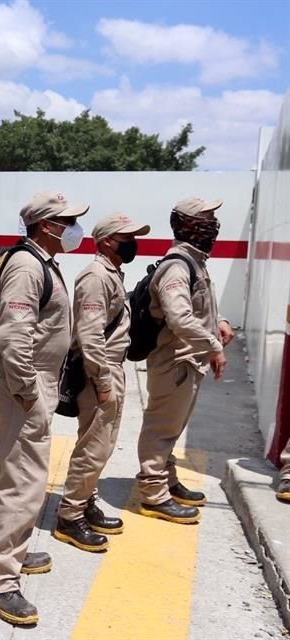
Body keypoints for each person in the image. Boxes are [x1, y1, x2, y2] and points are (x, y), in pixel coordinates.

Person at [0, 191, 87, 626]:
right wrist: (28, 391)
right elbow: (13, 335)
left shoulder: (42, 261)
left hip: (31, 380)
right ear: (46, 225)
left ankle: (12, 550)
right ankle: (0, 580)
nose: (75, 229)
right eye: (68, 221)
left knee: (18, 475)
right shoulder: (27, 265)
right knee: (24, 481)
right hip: (24, 383)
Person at [53, 213, 150, 553]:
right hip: (100, 372)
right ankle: (69, 516)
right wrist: (104, 381)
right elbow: (91, 335)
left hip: (109, 368)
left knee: (100, 445)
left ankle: (85, 501)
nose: (133, 243)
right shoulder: (96, 276)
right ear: (108, 241)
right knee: (93, 448)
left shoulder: (111, 273)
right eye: (127, 237)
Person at [136, 197, 234, 523]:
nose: (213, 225)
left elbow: (198, 306)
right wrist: (213, 346)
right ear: (187, 225)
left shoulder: (195, 262)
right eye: (206, 219)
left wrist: (219, 321)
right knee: (161, 428)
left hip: (188, 361)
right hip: (175, 362)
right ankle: (153, 494)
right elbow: (179, 318)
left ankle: (166, 480)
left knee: (172, 427)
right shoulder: (177, 266)